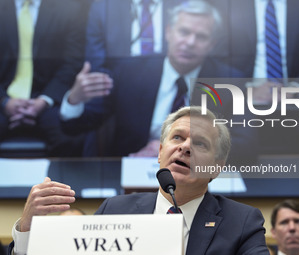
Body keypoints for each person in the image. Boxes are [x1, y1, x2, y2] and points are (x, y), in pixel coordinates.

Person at [8, 106, 269, 255]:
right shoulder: (115, 211)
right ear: (159, 152)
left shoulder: (242, 222)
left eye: (200, 144)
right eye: (177, 138)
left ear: (216, 167)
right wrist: (29, 229)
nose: (185, 148)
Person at [60, 0, 258, 164]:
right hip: (136, 172)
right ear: (168, 32)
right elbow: (75, 126)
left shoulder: (231, 82)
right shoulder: (129, 73)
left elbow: (246, 144)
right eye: (184, 32)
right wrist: (74, 100)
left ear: (212, 44)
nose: (189, 42)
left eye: (201, 37)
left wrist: (181, 148)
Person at [213, 0, 299, 153]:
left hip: (294, 101)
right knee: (233, 135)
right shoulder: (229, 4)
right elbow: (215, 59)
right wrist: (248, 89)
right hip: (240, 99)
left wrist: (294, 89)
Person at [0, 0, 89, 156]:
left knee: (72, 138)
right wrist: (4, 101)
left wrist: (45, 100)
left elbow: (72, 62)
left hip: (49, 98)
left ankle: (57, 181)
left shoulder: (69, 8)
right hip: (3, 95)